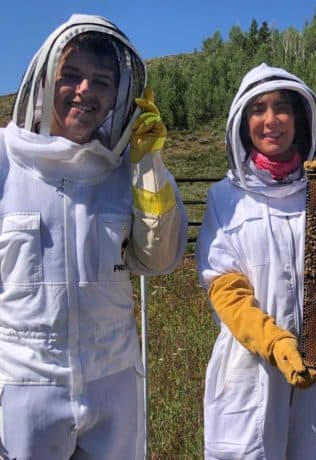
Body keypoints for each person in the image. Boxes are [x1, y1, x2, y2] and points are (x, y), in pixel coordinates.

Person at [0, 14, 187, 459]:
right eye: (72, 75)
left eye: (102, 80)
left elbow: (158, 260)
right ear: (45, 81)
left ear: (116, 96)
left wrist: (148, 166)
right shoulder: (6, 162)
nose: (85, 90)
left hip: (114, 383)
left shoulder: (127, 169)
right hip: (25, 384)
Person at [196, 63, 316, 459]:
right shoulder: (226, 198)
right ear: (244, 122)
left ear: (299, 119)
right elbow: (225, 286)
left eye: (281, 108)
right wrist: (273, 341)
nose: (270, 120)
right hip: (253, 364)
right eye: (258, 109)